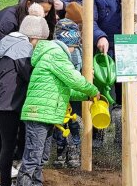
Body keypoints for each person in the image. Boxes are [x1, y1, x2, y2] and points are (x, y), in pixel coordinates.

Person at [0, 0, 55, 169]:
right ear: (29, 4)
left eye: (47, 12)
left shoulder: (39, 20)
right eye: (42, 10)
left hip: (20, 64)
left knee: (18, 111)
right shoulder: (7, 20)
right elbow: (2, 55)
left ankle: (14, 157)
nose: (44, 15)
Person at [16, 28, 100, 186]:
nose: (74, 51)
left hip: (46, 115)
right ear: (68, 44)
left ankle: (36, 184)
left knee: (42, 157)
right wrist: (92, 90)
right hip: (38, 114)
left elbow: (67, 90)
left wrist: (86, 96)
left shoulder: (52, 55)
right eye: (74, 47)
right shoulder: (56, 54)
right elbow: (74, 78)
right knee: (33, 157)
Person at [0, 5, 49, 186]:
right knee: (8, 145)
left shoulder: (9, 45)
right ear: (34, 37)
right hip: (8, 104)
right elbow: (29, 76)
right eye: (38, 41)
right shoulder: (23, 51)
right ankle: (5, 182)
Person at [93, 0, 137, 148]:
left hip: (127, 51)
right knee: (102, 92)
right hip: (103, 53)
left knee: (126, 96)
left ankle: (121, 137)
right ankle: (98, 136)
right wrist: (100, 36)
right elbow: (91, 20)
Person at [52, 18, 83, 168]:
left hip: (76, 93)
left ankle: (74, 148)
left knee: (74, 120)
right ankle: (60, 149)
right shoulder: (55, 53)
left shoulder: (79, 52)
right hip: (59, 92)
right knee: (60, 121)